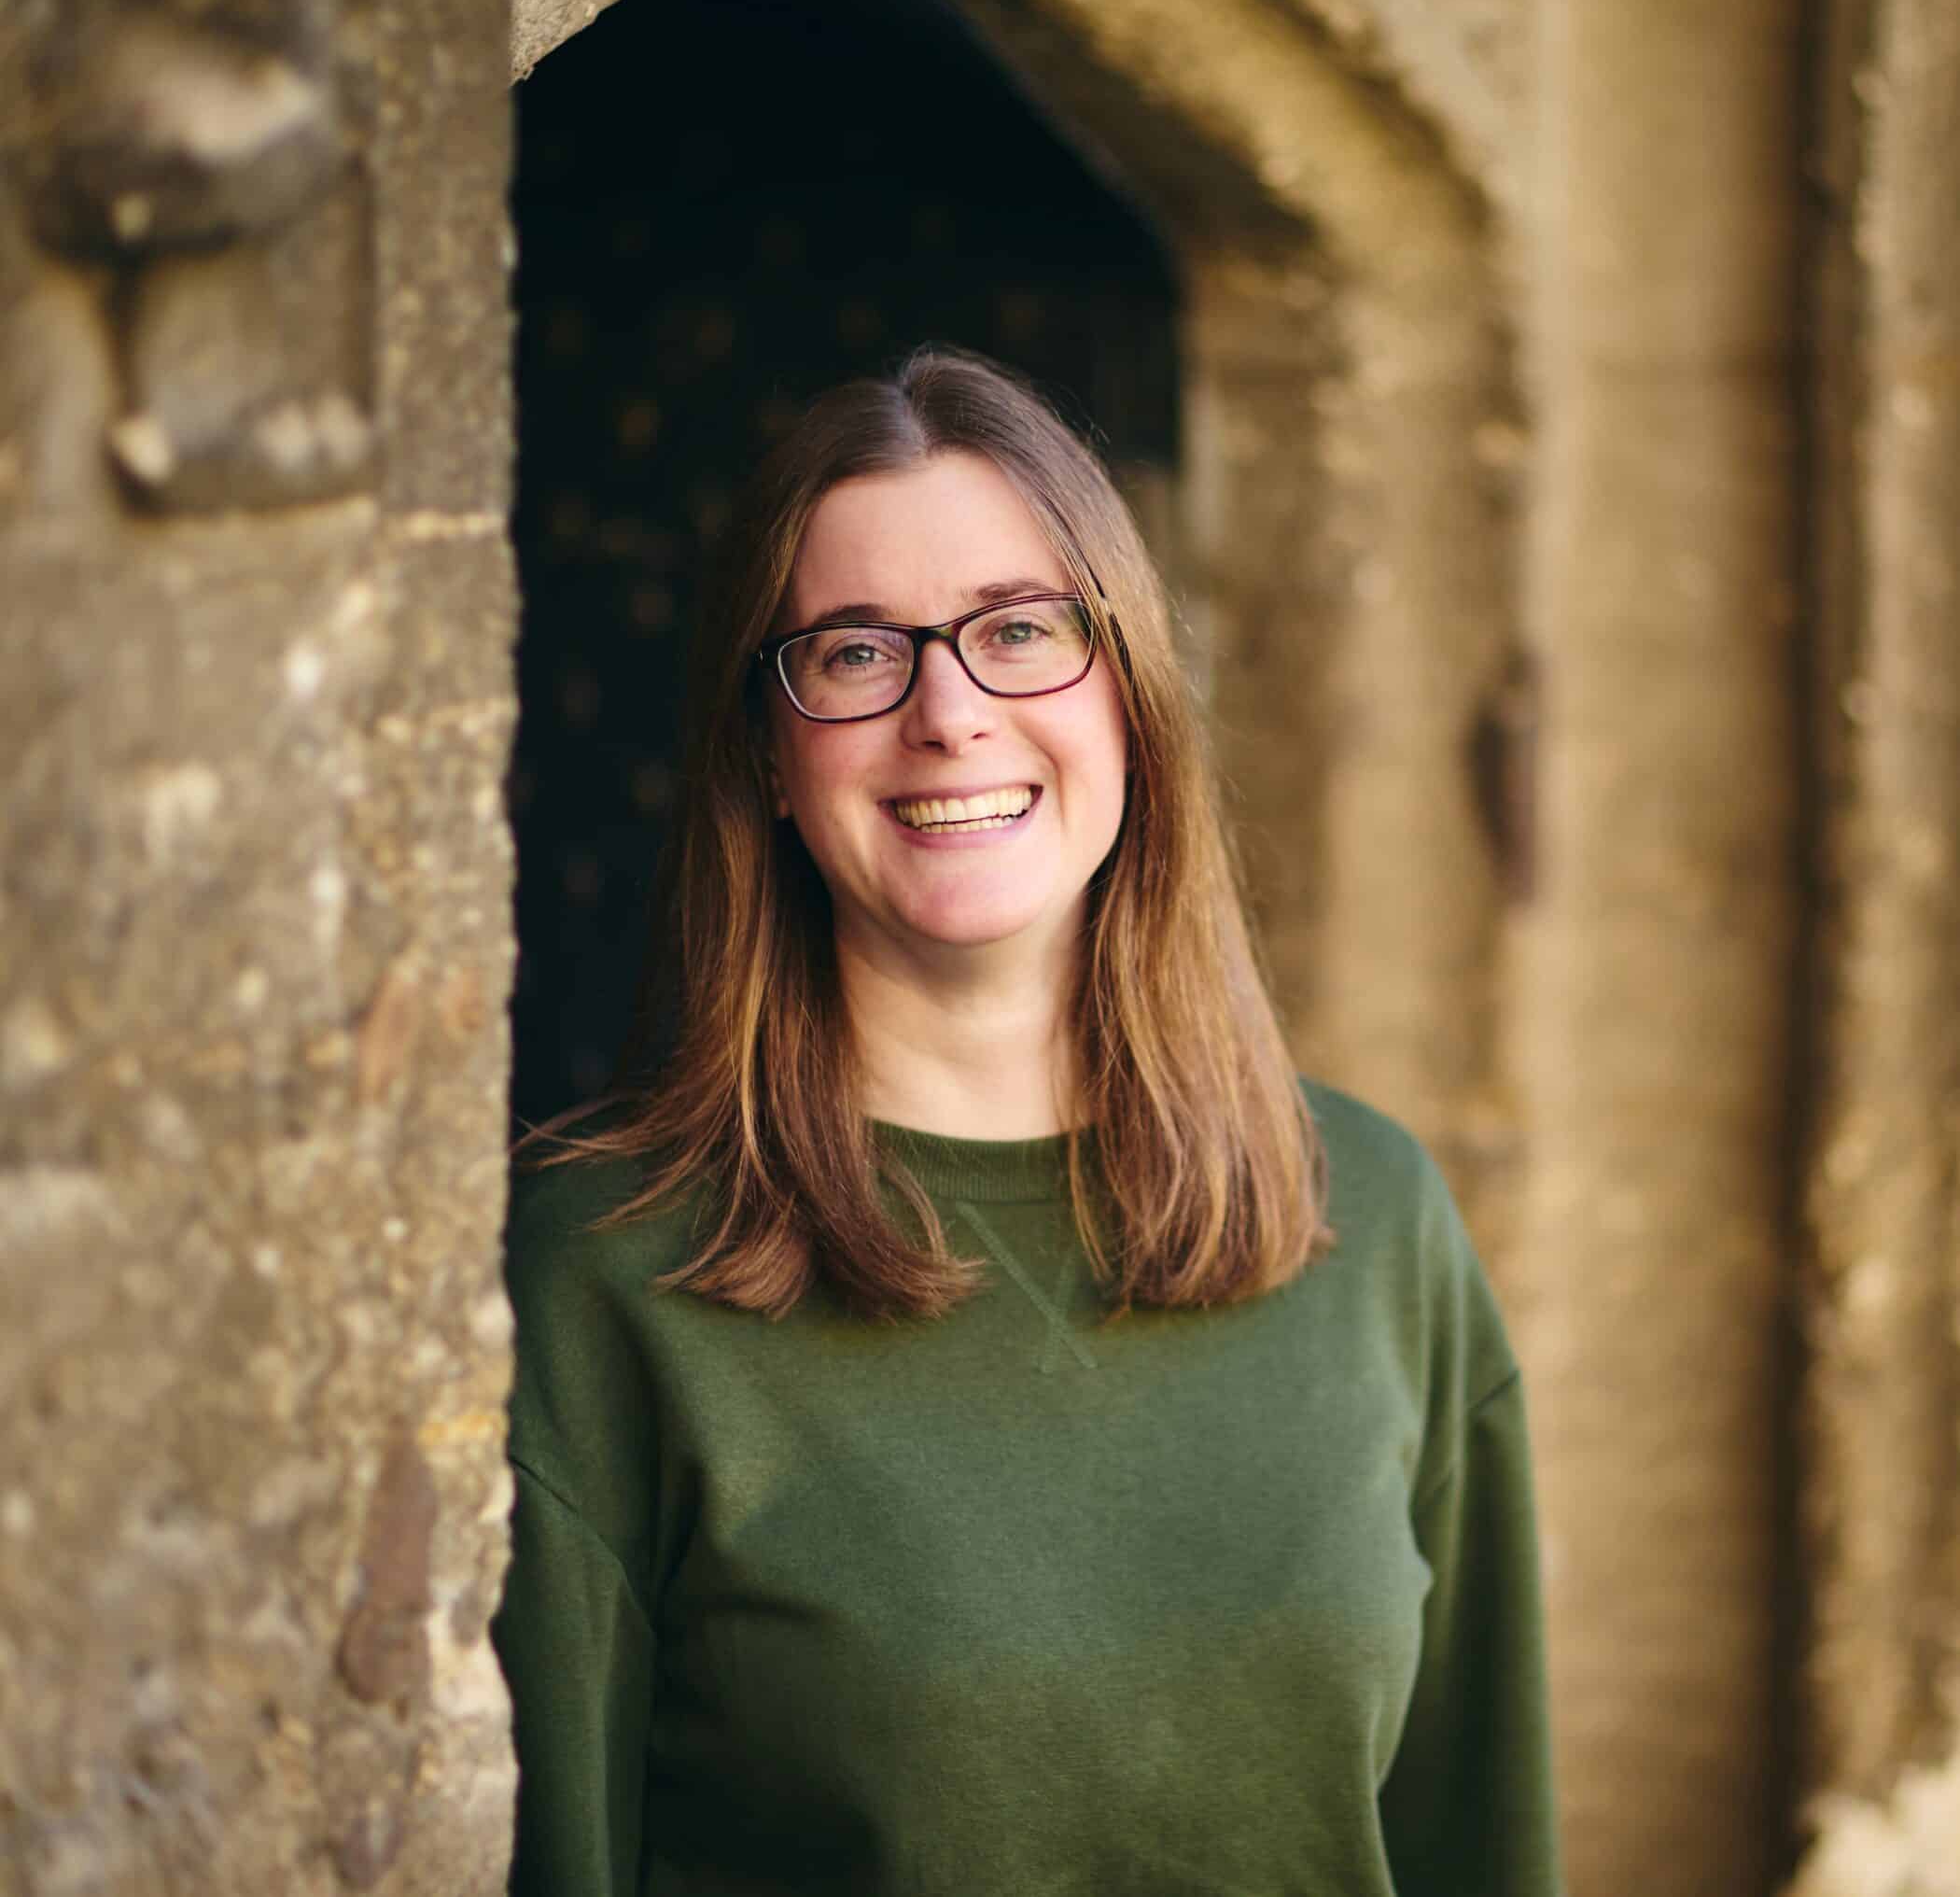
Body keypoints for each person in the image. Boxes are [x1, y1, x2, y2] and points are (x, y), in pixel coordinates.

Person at [491, 345, 1561, 1897]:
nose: (951, 712)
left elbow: (1488, 1844)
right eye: (857, 653)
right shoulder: (612, 1276)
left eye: (1020, 633)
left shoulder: (1376, 1217)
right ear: (770, 758)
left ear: (1129, 701)